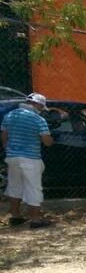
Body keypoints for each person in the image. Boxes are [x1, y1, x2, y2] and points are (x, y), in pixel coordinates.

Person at [2, 93, 53, 228]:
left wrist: (9, 149)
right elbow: (47, 141)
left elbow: (4, 135)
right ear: (39, 105)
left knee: (14, 186)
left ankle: (15, 216)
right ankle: (35, 219)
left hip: (12, 157)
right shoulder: (38, 119)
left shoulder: (10, 115)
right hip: (31, 158)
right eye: (42, 107)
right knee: (33, 188)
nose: (42, 110)